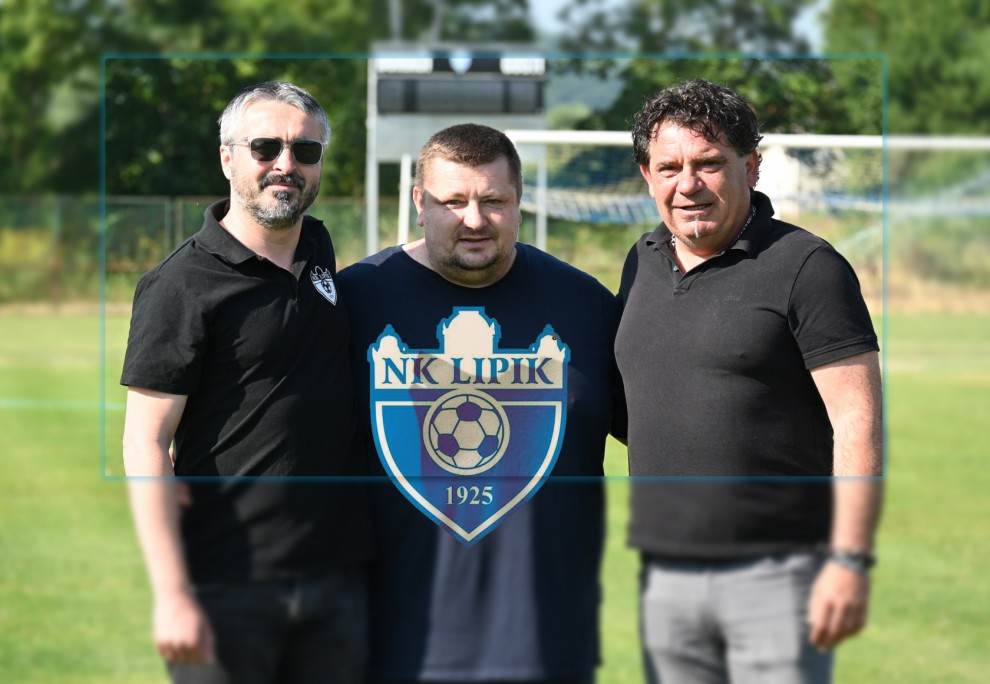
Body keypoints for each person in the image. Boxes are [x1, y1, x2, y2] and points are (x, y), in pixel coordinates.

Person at [615, 79, 884, 684]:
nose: (689, 184)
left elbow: (857, 419)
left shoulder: (808, 267)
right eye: (670, 167)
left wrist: (848, 559)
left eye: (709, 164)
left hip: (778, 573)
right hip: (667, 572)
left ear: (751, 166)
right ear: (648, 175)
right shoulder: (641, 262)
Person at [337, 123, 625, 683]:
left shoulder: (585, 305)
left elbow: (665, 426)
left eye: (493, 200)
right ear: (419, 203)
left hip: (544, 647)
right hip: (389, 647)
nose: (474, 219)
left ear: (519, 201)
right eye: (453, 201)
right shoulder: (352, 301)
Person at [120, 81, 371, 684]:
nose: (286, 164)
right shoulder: (179, 285)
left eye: (305, 151)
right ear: (228, 158)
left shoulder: (318, 246)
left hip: (337, 584)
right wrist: (172, 595)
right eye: (265, 147)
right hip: (227, 587)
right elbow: (145, 443)